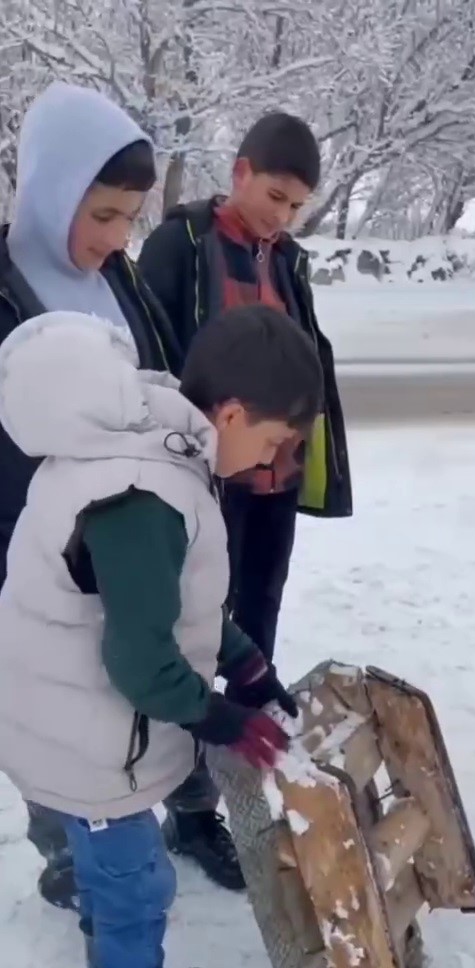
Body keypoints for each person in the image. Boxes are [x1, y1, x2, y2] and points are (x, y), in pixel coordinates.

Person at [0, 301, 323, 968]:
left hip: (78, 715)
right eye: (276, 442)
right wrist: (222, 720)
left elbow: (177, 607)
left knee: (118, 883)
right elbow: (140, 662)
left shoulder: (162, 457)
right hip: (84, 736)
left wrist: (247, 667)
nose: (273, 462)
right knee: (135, 885)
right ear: (233, 415)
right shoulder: (145, 494)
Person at [1, 81, 244, 904]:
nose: (115, 237)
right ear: (49, 191)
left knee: (159, 666)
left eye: (128, 217)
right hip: (37, 553)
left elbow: (158, 386)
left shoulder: (123, 283)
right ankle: (68, 845)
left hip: (138, 532)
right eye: (100, 214)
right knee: (65, 713)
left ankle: (193, 810)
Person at [137, 110, 352, 660]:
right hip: (211, 469)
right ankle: (195, 719)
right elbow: (150, 356)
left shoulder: (289, 263)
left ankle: (255, 705)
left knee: (263, 601)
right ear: (240, 174)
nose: (282, 216)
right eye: (275, 197)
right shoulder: (180, 244)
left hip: (277, 476)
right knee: (200, 606)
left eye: (297, 207)